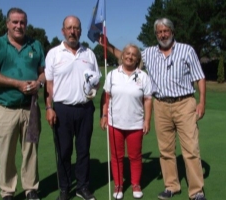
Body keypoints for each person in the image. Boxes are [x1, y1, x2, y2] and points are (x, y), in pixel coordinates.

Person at [100, 17, 207, 200]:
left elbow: (200, 77)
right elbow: (126, 56)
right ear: (156, 34)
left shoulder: (186, 50)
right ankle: (171, 186)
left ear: (172, 32)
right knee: (165, 150)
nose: (162, 34)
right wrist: (107, 45)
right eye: (159, 32)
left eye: (166, 31)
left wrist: (202, 101)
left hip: (184, 103)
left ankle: (196, 191)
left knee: (190, 149)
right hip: (161, 104)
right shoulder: (149, 53)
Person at [0, 7, 45, 200]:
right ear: (7, 24)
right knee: (7, 153)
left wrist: (39, 82)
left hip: (30, 107)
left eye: (22, 22)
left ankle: (30, 189)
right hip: (6, 107)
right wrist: (17, 84)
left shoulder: (35, 45)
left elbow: (44, 71)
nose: (19, 26)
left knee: (31, 151)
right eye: (15, 22)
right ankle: (8, 192)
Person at [44, 15, 101, 200]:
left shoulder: (89, 54)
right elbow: (49, 85)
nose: (72, 31)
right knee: (64, 150)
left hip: (85, 109)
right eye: (69, 28)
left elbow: (97, 81)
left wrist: (94, 87)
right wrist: (49, 107)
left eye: (76, 28)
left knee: (84, 150)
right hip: (62, 109)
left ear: (80, 31)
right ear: (63, 31)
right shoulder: (54, 53)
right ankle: (64, 188)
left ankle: (82, 186)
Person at [100, 44, 152, 199]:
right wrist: (103, 115)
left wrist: (147, 120)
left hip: (135, 123)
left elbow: (148, 100)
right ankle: (118, 185)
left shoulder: (143, 76)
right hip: (115, 123)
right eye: (127, 53)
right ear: (122, 56)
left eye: (134, 54)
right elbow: (106, 97)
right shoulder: (112, 75)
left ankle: (136, 184)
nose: (130, 56)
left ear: (137, 59)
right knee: (117, 156)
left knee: (135, 156)